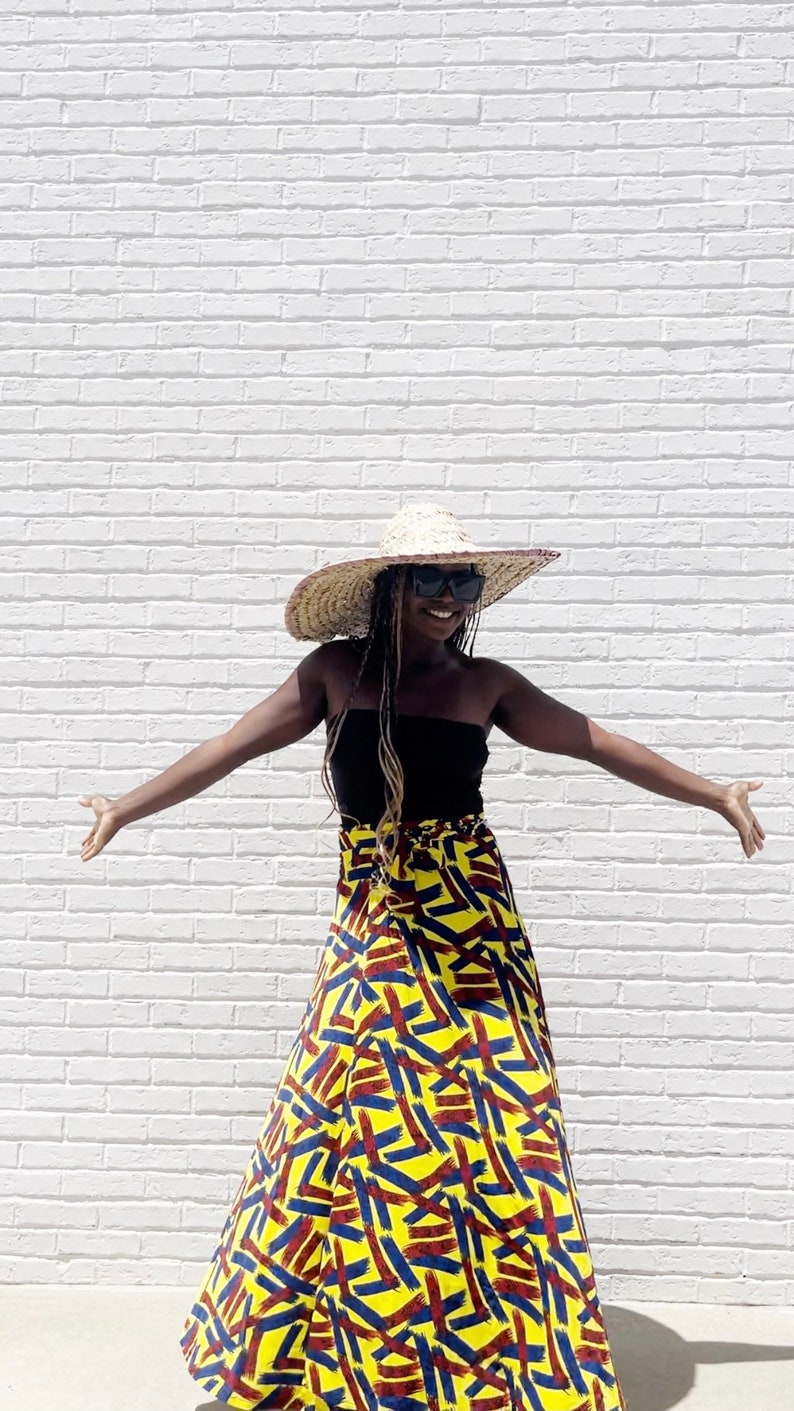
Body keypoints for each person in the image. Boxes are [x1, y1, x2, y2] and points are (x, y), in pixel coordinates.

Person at [78, 502, 764, 1411]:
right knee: (353, 1118)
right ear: (390, 589)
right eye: (430, 580)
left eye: (463, 582)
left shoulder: (488, 685)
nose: (449, 599)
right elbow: (227, 747)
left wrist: (714, 792)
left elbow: (596, 742)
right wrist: (126, 805)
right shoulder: (333, 673)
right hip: (377, 916)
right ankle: (331, 1353)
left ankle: (497, 1356)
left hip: (474, 924)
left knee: (495, 1122)